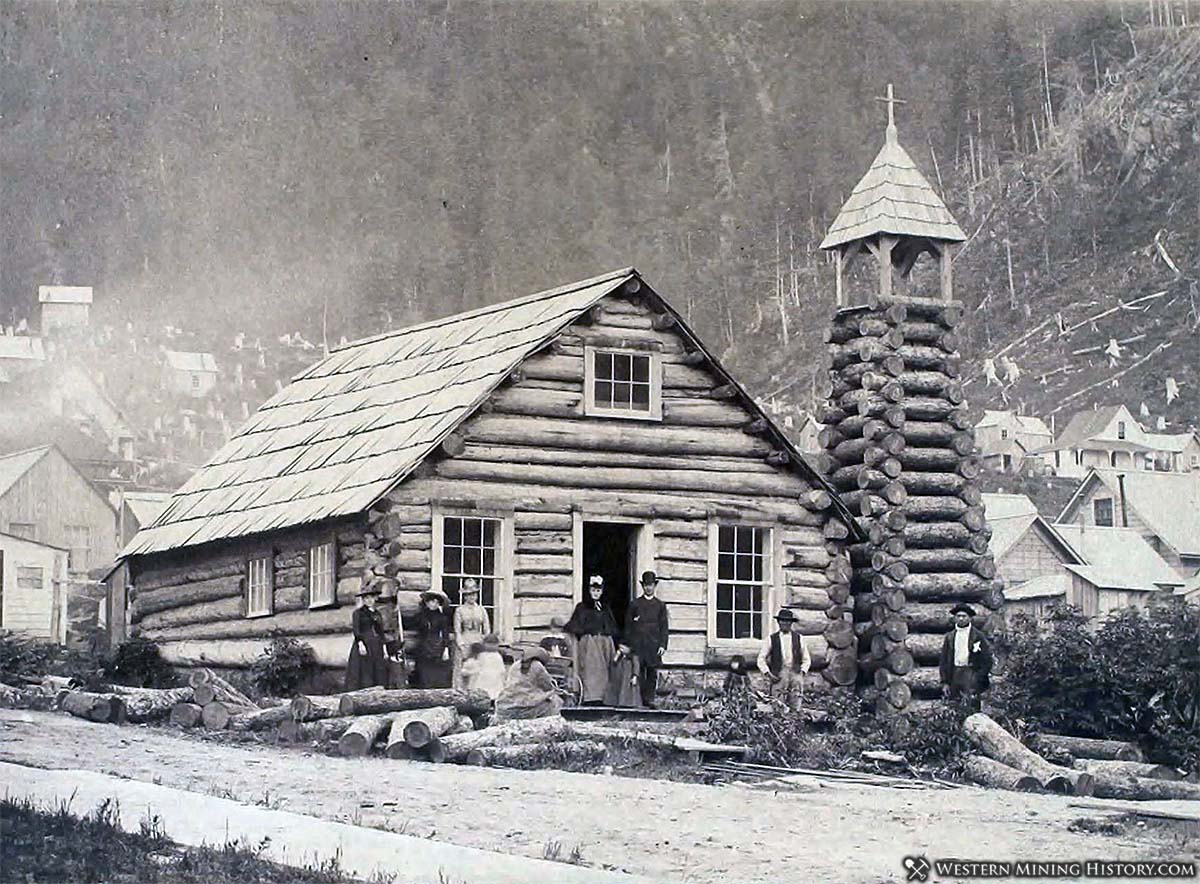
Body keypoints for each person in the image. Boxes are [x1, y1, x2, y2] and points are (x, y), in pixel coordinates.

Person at [564, 575, 620, 704]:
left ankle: (604, 698)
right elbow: (575, 625)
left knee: (605, 671)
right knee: (591, 671)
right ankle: (590, 698)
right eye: (593, 590)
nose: (596, 593)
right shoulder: (582, 607)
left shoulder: (605, 607)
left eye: (598, 590)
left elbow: (611, 625)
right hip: (589, 645)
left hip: (605, 644)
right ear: (589, 591)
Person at [625, 570, 669, 707]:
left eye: (651, 585)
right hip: (639, 644)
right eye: (646, 585)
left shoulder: (660, 605)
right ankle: (639, 700)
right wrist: (629, 644)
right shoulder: (635, 604)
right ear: (642, 586)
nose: (648, 587)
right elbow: (628, 626)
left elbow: (664, 627)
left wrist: (663, 645)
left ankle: (649, 699)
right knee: (639, 672)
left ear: (654, 586)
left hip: (653, 645)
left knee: (652, 673)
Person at [939, 603, 993, 709]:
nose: (961, 619)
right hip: (955, 674)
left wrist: (978, 677)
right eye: (958, 616)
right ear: (955, 618)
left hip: (971, 674)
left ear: (970, 618)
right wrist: (945, 682)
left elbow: (987, 659)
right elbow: (944, 661)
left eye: (964, 616)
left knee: (971, 705)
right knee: (954, 705)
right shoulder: (950, 637)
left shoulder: (978, 636)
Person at [756, 609, 812, 710]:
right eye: (782, 620)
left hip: (795, 673)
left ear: (791, 623)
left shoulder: (799, 638)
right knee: (777, 703)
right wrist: (768, 674)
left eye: (787, 621)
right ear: (778, 622)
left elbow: (806, 659)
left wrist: (801, 673)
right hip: (779, 674)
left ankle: (795, 721)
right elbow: (761, 659)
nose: (785, 623)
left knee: (796, 701)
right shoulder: (771, 639)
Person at [495, 647, 563, 721]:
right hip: (526, 705)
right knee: (555, 701)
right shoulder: (537, 666)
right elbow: (547, 686)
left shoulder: (515, 665)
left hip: (506, 703)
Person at [345, 586, 388, 690]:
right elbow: (356, 629)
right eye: (366, 598)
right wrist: (360, 644)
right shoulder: (358, 613)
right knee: (364, 669)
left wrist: (384, 648)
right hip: (364, 644)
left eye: (371, 598)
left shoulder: (377, 614)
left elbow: (381, 632)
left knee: (378, 669)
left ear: (375, 599)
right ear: (363, 600)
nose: (369, 600)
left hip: (376, 645)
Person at [452, 578, 491, 688]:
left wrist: (485, 643)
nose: (471, 597)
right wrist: (461, 645)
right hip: (465, 640)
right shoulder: (460, 610)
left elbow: (487, 628)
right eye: (468, 595)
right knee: (464, 669)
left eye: (473, 594)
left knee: (479, 669)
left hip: (478, 642)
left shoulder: (482, 610)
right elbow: (457, 630)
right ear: (464, 596)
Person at [412, 588, 454, 688]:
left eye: (436, 602)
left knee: (436, 674)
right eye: (431, 601)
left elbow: (445, 634)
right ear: (426, 602)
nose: (433, 604)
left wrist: (446, 649)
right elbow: (414, 625)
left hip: (436, 646)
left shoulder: (442, 618)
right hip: (423, 646)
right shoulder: (420, 616)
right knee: (423, 673)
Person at [463, 633, 507, 701]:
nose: (491, 646)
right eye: (489, 643)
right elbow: (477, 666)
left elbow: (502, 670)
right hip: (483, 677)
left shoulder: (497, 656)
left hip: (495, 678)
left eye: (493, 644)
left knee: (494, 692)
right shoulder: (481, 655)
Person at [603, 643, 641, 707]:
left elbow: (636, 666)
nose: (621, 650)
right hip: (619, 677)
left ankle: (630, 703)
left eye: (623, 648)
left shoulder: (632, 657)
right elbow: (613, 663)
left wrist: (635, 676)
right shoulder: (620, 657)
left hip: (628, 678)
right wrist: (617, 655)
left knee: (629, 691)